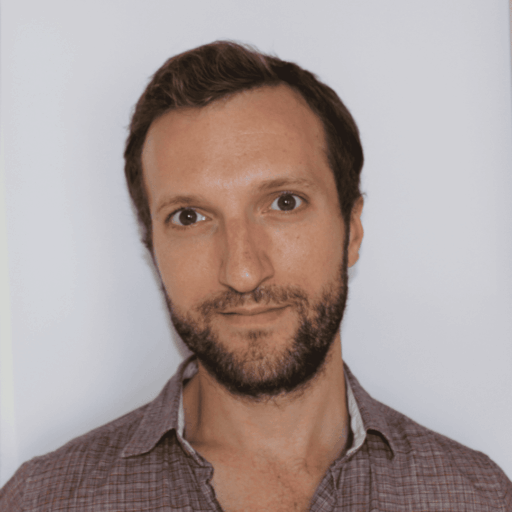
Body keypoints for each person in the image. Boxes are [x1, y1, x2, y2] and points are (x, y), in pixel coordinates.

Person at [1, 40, 510, 512]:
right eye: (189, 217)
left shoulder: (479, 498)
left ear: (351, 230)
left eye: (284, 203)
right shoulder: (43, 501)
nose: (243, 272)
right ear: (152, 248)